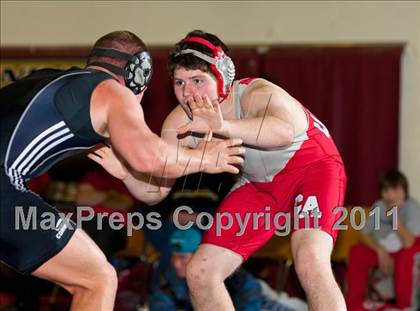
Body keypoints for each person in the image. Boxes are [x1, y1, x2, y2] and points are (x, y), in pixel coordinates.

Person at [97, 30, 347, 310]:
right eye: (179, 82)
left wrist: (221, 126)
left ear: (222, 78)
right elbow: (155, 191)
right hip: (260, 186)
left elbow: (282, 132)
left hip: (312, 171)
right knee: (200, 273)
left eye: (197, 81)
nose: (188, 93)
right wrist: (126, 174)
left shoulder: (256, 94)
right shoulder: (181, 122)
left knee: (310, 259)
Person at [0, 30, 244, 310]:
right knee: (97, 279)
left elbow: (153, 187)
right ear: (138, 74)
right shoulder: (111, 92)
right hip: (4, 186)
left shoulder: (46, 79)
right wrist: (204, 158)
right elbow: (150, 159)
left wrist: (129, 173)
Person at [149, 228, 304, 311]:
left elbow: (250, 295)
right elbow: (159, 302)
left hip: (261, 299)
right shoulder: (169, 276)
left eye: (183, 258)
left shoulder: (224, 271)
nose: (176, 263)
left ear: (198, 256)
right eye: (174, 257)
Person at [346, 170, 420, 310]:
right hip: (382, 250)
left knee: (407, 255)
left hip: (404, 253)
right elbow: (363, 234)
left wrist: (394, 216)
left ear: (404, 191)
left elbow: (409, 243)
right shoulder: (379, 206)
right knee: (357, 251)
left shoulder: (413, 208)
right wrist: (380, 251)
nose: (391, 195)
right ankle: (353, 305)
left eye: (396, 190)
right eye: (386, 190)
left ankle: (404, 307)